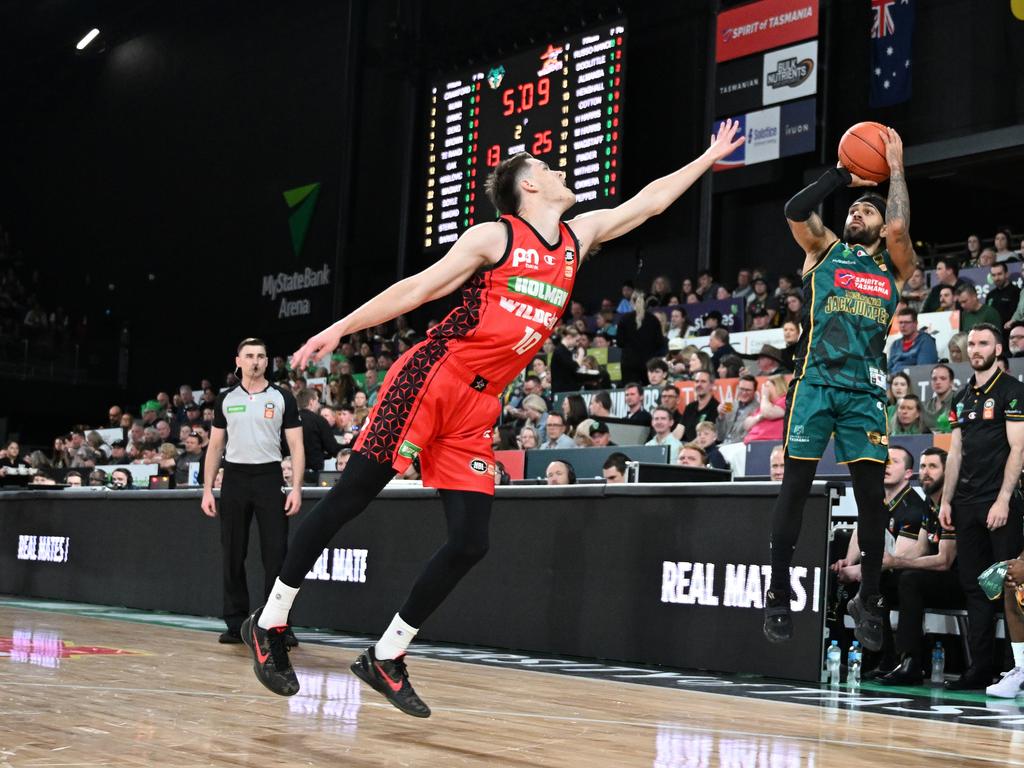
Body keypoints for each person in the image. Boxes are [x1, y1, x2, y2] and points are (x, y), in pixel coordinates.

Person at [239, 124, 746, 714]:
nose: (560, 172)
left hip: (480, 405)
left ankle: (387, 654)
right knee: (352, 496)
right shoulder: (494, 236)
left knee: (470, 540)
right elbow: (416, 289)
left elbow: (648, 201)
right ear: (529, 185)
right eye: (549, 167)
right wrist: (340, 328)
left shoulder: (578, 236)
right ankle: (270, 623)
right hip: (433, 376)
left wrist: (707, 156)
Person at [764, 127, 915, 654]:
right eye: (853, 210)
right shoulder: (823, 250)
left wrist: (893, 172)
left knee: (872, 500)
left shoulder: (893, 265)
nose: (857, 215)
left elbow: (898, 225)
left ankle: (869, 598)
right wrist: (839, 176)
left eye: (865, 212)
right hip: (815, 384)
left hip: (866, 392)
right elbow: (794, 208)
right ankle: (779, 589)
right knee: (796, 489)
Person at [201, 338, 304, 645]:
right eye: (250, 356)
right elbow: (215, 446)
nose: (256, 361)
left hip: (269, 476)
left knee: (276, 555)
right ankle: (235, 624)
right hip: (234, 478)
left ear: (267, 361)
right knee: (233, 552)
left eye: (261, 356)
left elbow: (296, 446)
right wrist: (207, 489)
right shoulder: (225, 399)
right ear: (239, 360)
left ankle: (277, 626)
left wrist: (296, 488)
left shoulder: (282, 397)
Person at [939, 324, 1024, 690]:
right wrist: (946, 499)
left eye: (983, 343)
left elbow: (1018, 449)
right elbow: (955, 452)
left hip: (999, 502)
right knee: (975, 587)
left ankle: (1014, 667)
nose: (976, 349)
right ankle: (980, 669)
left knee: (1008, 585)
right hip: (966, 504)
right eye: (971, 343)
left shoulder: (1012, 391)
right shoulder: (961, 398)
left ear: (998, 348)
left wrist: (1003, 499)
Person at [875, 447, 960, 686]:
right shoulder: (928, 503)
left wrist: (896, 562)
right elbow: (920, 548)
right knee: (882, 581)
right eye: (923, 467)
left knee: (910, 579)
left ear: (948, 471)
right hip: (934, 579)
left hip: (961, 581)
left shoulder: (951, 504)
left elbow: (944, 561)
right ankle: (888, 658)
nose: (926, 473)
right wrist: (886, 565)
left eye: (933, 467)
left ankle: (911, 662)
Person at [297, 388, 339, 482]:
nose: (319, 404)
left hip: (292, 471)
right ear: (311, 402)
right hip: (314, 473)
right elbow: (332, 448)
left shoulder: (289, 420)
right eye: (317, 400)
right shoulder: (319, 421)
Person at [887, 307, 937, 374]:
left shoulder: (926, 342)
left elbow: (923, 371)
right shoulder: (895, 344)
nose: (903, 325)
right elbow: (889, 369)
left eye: (907, 322)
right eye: (900, 322)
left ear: (915, 323)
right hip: (894, 381)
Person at [742, 375, 787, 444]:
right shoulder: (767, 404)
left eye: (767, 386)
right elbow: (746, 425)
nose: (764, 389)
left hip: (768, 443)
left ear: (777, 386)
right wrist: (760, 417)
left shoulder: (785, 400)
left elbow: (769, 413)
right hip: (753, 442)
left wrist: (764, 396)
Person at [716, 375, 758, 444]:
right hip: (723, 446)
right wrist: (721, 416)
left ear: (754, 391)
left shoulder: (758, 409)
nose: (744, 393)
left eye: (748, 390)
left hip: (740, 447)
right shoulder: (730, 405)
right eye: (741, 389)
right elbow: (720, 436)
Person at [680, 370, 718, 442]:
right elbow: (680, 429)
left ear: (711, 385)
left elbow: (706, 436)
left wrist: (688, 448)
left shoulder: (716, 408)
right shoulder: (689, 407)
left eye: (703, 381)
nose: (699, 385)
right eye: (697, 381)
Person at [921, 363, 957, 433]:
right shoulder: (926, 406)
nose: (938, 382)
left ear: (951, 382)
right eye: (934, 379)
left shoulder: (960, 401)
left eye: (943, 378)